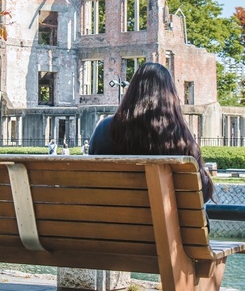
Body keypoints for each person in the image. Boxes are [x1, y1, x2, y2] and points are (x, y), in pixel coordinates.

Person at [89, 62, 213, 203]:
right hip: (163, 224)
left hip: (110, 221)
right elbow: (202, 194)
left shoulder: (104, 129)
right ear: (170, 94)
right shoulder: (178, 135)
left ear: (132, 91)